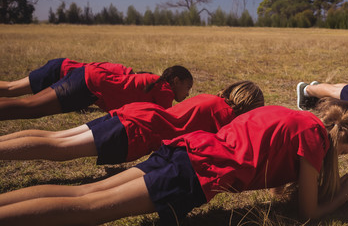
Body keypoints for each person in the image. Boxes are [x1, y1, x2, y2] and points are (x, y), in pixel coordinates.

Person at [0, 97, 348, 225]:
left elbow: (270, 178)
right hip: (193, 173)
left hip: (184, 150)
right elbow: (307, 214)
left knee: (85, 194)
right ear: (343, 138)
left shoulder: (286, 116)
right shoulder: (315, 139)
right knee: (91, 209)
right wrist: (340, 197)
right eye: (346, 152)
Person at [0, 80, 264, 164]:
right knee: (60, 149)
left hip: (134, 113)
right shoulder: (227, 118)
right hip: (137, 130)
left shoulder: (210, 98)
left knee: (55, 138)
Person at [0, 64, 193, 121]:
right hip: (90, 86)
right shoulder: (165, 91)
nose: (188, 94)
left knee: (30, 105)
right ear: (176, 81)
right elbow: (168, 121)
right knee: (31, 108)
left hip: (88, 77)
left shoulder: (154, 81)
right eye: (188, 87)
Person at [0, 58, 134, 97]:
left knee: (12, 88)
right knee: (11, 88)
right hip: (58, 73)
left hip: (62, 71)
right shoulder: (122, 74)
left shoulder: (123, 73)